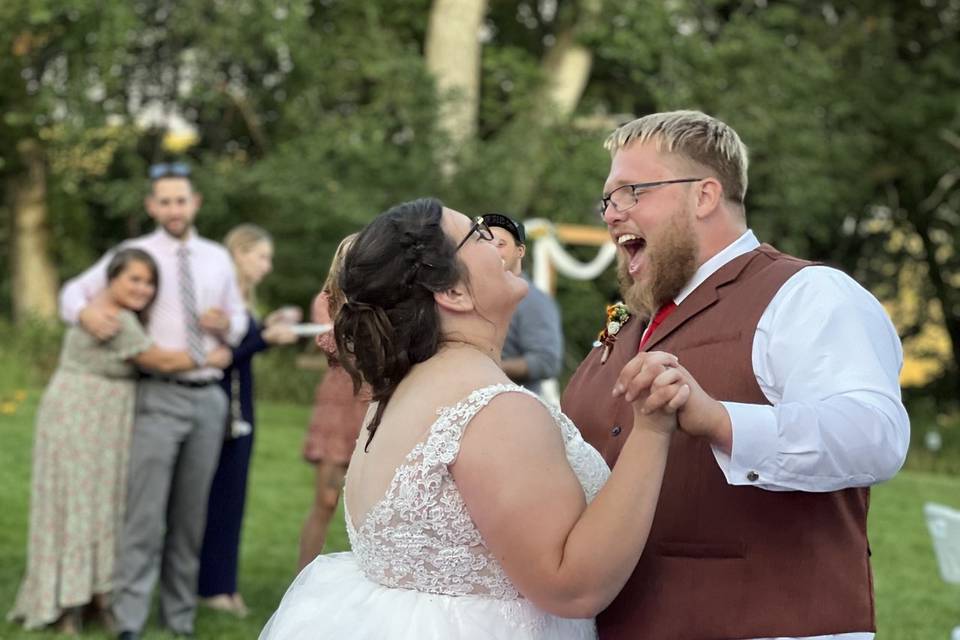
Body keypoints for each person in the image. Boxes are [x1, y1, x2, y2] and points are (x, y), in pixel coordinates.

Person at [260, 197, 691, 640]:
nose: (499, 242)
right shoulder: (494, 411)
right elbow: (571, 586)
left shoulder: (400, 390)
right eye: (478, 235)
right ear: (453, 293)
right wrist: (652, 429)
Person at [561, 110, 911, 640]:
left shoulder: (807, 294)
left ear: (704, 195)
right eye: (609, 199)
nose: (612, 215)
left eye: (633, 192)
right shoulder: (630, 320)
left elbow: (876, 437)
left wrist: (720, 419)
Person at [59, 162, 248, 640]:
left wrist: (227, 325)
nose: (173, 209)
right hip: (157, 397)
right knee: (144, 514)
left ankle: (180, 618)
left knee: (190, 517)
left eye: (180, 200)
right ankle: (128, 620)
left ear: (195, 203)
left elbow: (241, 319)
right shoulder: (134, 253)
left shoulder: (216, 258)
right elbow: (71, 292)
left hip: (208, 399)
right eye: (163, 201)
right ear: (151, 206)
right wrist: (84, 314)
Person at [8, 249, 230, 634]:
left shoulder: (114, 313)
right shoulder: (113, 318)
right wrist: (215, 356)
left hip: (108, 417)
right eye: (134, 279)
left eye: (149, 282)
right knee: (75, 505)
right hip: (81, 415)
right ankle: (67, 602)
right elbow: (160, 361)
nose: (143, 289)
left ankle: (95, 596)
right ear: (111, 279)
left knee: (102, 507)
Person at [198, 224, 299, 617]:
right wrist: (266, 338)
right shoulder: (219, 296)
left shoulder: (242, 297)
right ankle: (213, 587)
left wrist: (267, 325)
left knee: (232, 497)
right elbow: (221, 359)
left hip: (242, 409)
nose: (267, 266)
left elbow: (240, 349)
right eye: (261, 257)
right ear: (239, 253)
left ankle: (222, 583)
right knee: (220, 498)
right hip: (223, 409)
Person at [298, 233, 370, 570]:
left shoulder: (386, 301)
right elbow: (336, 344)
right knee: (326, 499)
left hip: (376, 401)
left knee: (373, 503)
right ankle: (301, 581)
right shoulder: (326, 301)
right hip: (339, 403)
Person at [482, 213, 564, 399]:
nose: (492, 250)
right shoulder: (475, 294)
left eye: (500, 244)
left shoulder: (534, 300)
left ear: (520, 251)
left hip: (515, 410)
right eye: (486, 243)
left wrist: (485, 368)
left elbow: (546, 362)